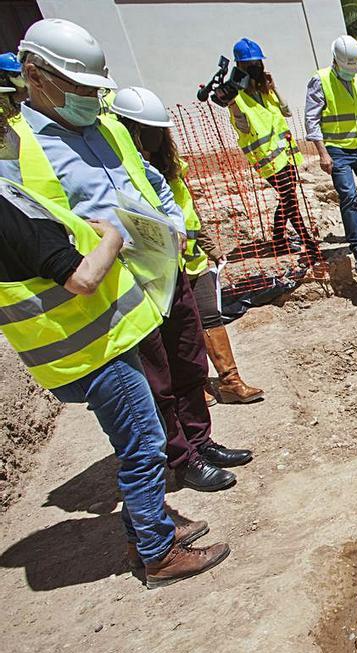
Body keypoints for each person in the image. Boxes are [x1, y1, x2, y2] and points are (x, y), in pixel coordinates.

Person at [0, 58, 229, 589]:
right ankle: (157, 551)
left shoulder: (84, 141)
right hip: (89, 342)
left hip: (102, 330)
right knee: (144, 444)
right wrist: (111, 239)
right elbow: (77, 277)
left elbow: (145, 182)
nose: (8, 119)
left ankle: (149, 528)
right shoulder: (13, 194)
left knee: (140, 434)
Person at [3, 19, 253, 492]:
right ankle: (182, 457)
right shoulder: (17, 149)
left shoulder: (109, 127)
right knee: (155, 378)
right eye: (78, 85)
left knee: (188, 360)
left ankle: (201, 440)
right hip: (117, 285)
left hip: (163, 266)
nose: (88, 96)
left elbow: (153, 182)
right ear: (36, 76)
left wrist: (174, 225)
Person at [111, 86, 265, 406]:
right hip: (157, 266)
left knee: (209, 316)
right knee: (179, 334)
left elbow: (188, 207)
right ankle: (196, 387)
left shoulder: (171, 164)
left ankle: (230, 381)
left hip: (192, 259)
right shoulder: (121, 170)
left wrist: (210, 246)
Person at [228, 38, 321, 266]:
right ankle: (307, 242)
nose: (256, 68)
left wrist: (274, 87)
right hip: (267, 160)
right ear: (239, 66)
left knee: (288, 197)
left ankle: (279, 240)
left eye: (258, 63)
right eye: (250, 64)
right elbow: (243, 127)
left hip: (286, 154)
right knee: (290, 199)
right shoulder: (236, 98)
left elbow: (287, 111)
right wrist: (231, 104)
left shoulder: (264, 90)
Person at [305, 34, 357, 275]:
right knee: (348, 197)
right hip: (337, 149)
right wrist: (322, 153)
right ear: (335, 61)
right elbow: (311, 119)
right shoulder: (319, 80)